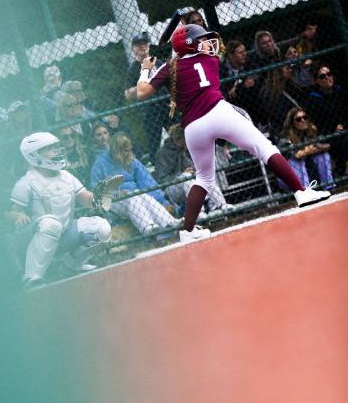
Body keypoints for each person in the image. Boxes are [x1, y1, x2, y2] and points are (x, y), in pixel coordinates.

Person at [136, 23, 330, 243]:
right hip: (219, 112)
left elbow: (142, 93)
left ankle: (187, 231)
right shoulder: (209, 58)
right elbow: (207, 51)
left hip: (193, 126)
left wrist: (145, 68)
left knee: (205, 178)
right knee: (265, 148)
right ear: (190, 45)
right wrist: (181, 48)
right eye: (199, 40)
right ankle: (301, 192)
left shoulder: (168, 68)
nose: (204, 42)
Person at [7, 131, 112, 288]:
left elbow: (85, 197)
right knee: (51, 223)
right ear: (35, 155)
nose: (57, 151)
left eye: (57, 147)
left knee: (102, 229)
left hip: (64, 232)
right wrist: (17, 216)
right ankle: (32, 277)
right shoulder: (26, 182)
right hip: (32, 238)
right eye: (50, 148)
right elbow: (9, 213)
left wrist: (101, 198)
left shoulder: (66, 176)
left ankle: (70, 267)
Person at [90, 132, 179, 235]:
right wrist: (118, 194)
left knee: (138, 194)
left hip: (134, 198)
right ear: (117, 151)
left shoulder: (132, 160)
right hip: (113, 202)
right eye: (126, 151)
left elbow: (147, 182)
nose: (129, 153)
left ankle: (170, 222)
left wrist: (163, 202)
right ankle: (147, 228)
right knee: (133, 196)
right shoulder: (100, 164)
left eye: (129, 149)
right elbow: (97, 192)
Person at [154, 123, 230, 213]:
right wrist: (181, 175)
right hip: (172, 189)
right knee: (187, 177)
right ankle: (199, 212)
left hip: (190, 183)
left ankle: (222, 205)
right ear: (180, 139)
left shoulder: (186, 149)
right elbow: (163, 180)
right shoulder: (162, 153)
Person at [124, 32, 171, 161]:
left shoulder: (158, 62)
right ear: (133, 49)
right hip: (151, 109)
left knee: (179, 134)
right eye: (138, 45)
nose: (142, 46)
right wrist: (145, 81)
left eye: (145, 43)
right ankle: (157, 167)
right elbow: (128, 94)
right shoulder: (133, 69)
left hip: (167, 104)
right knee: (154, 143)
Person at [277, 107, 334, 189]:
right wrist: (312, 148)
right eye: (298, 119)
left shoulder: (311, 130)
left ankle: (329, 186)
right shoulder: (285, 137)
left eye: (305, 117)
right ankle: (306, 192)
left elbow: (326, 146)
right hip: (290, 177)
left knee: (323, 156)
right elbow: (298, 155)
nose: (303, 120)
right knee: (298, 161)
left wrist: (310, 149)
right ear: (292, 123)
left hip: (310, 170)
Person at [306, 63, 348, 172]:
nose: (327, 78)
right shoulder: (313, 99)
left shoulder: (340, 91)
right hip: (328, 134)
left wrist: (343, 125)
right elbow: (318, 123)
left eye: (329, 74)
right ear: (317, 81)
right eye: (322, 76)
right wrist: (334, 127)